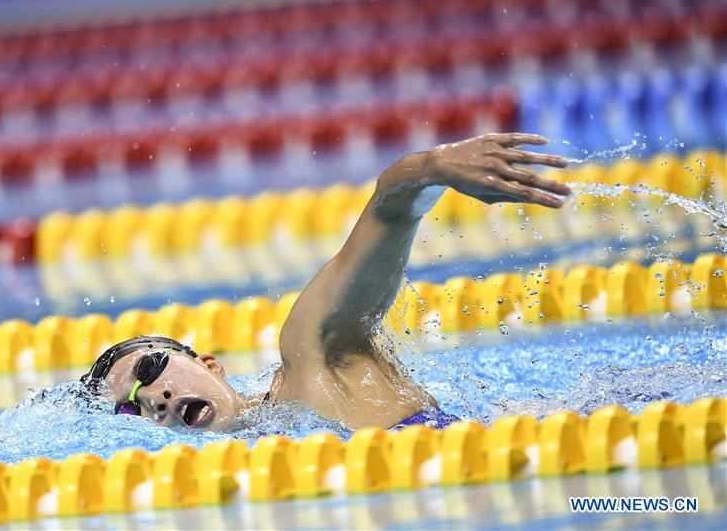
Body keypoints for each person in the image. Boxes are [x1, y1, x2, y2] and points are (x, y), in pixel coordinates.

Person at [80, 133, 571, 431]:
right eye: (130, 411)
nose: (150, 398)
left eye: (150, 369)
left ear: (209, 364)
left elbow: (390, 205)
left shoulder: (313, 359)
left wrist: (434, 168)